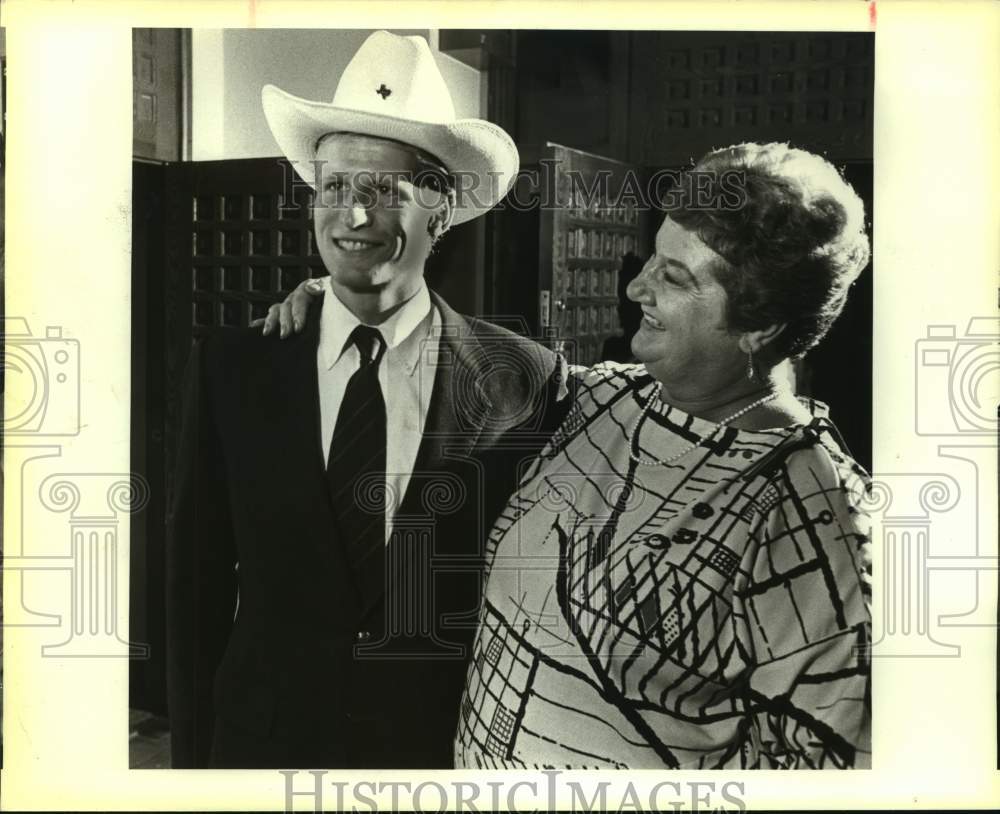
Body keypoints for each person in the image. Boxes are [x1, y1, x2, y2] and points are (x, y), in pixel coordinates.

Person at [272, 142, 873, 769]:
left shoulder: (817, 515)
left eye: (673, 277)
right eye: (653, 259)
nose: (636, 285)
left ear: (761, 326)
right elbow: (452, 358)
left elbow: (824, 769)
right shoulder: (601, 399)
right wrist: (346, 291)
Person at [166, 31, 569, 770]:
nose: (352, 217)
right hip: (262, 754)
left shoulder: (526, 378)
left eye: (382, 192)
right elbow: (195, 587)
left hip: (436, 755)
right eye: (335, 188)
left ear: (441, 212)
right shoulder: (236, 367)